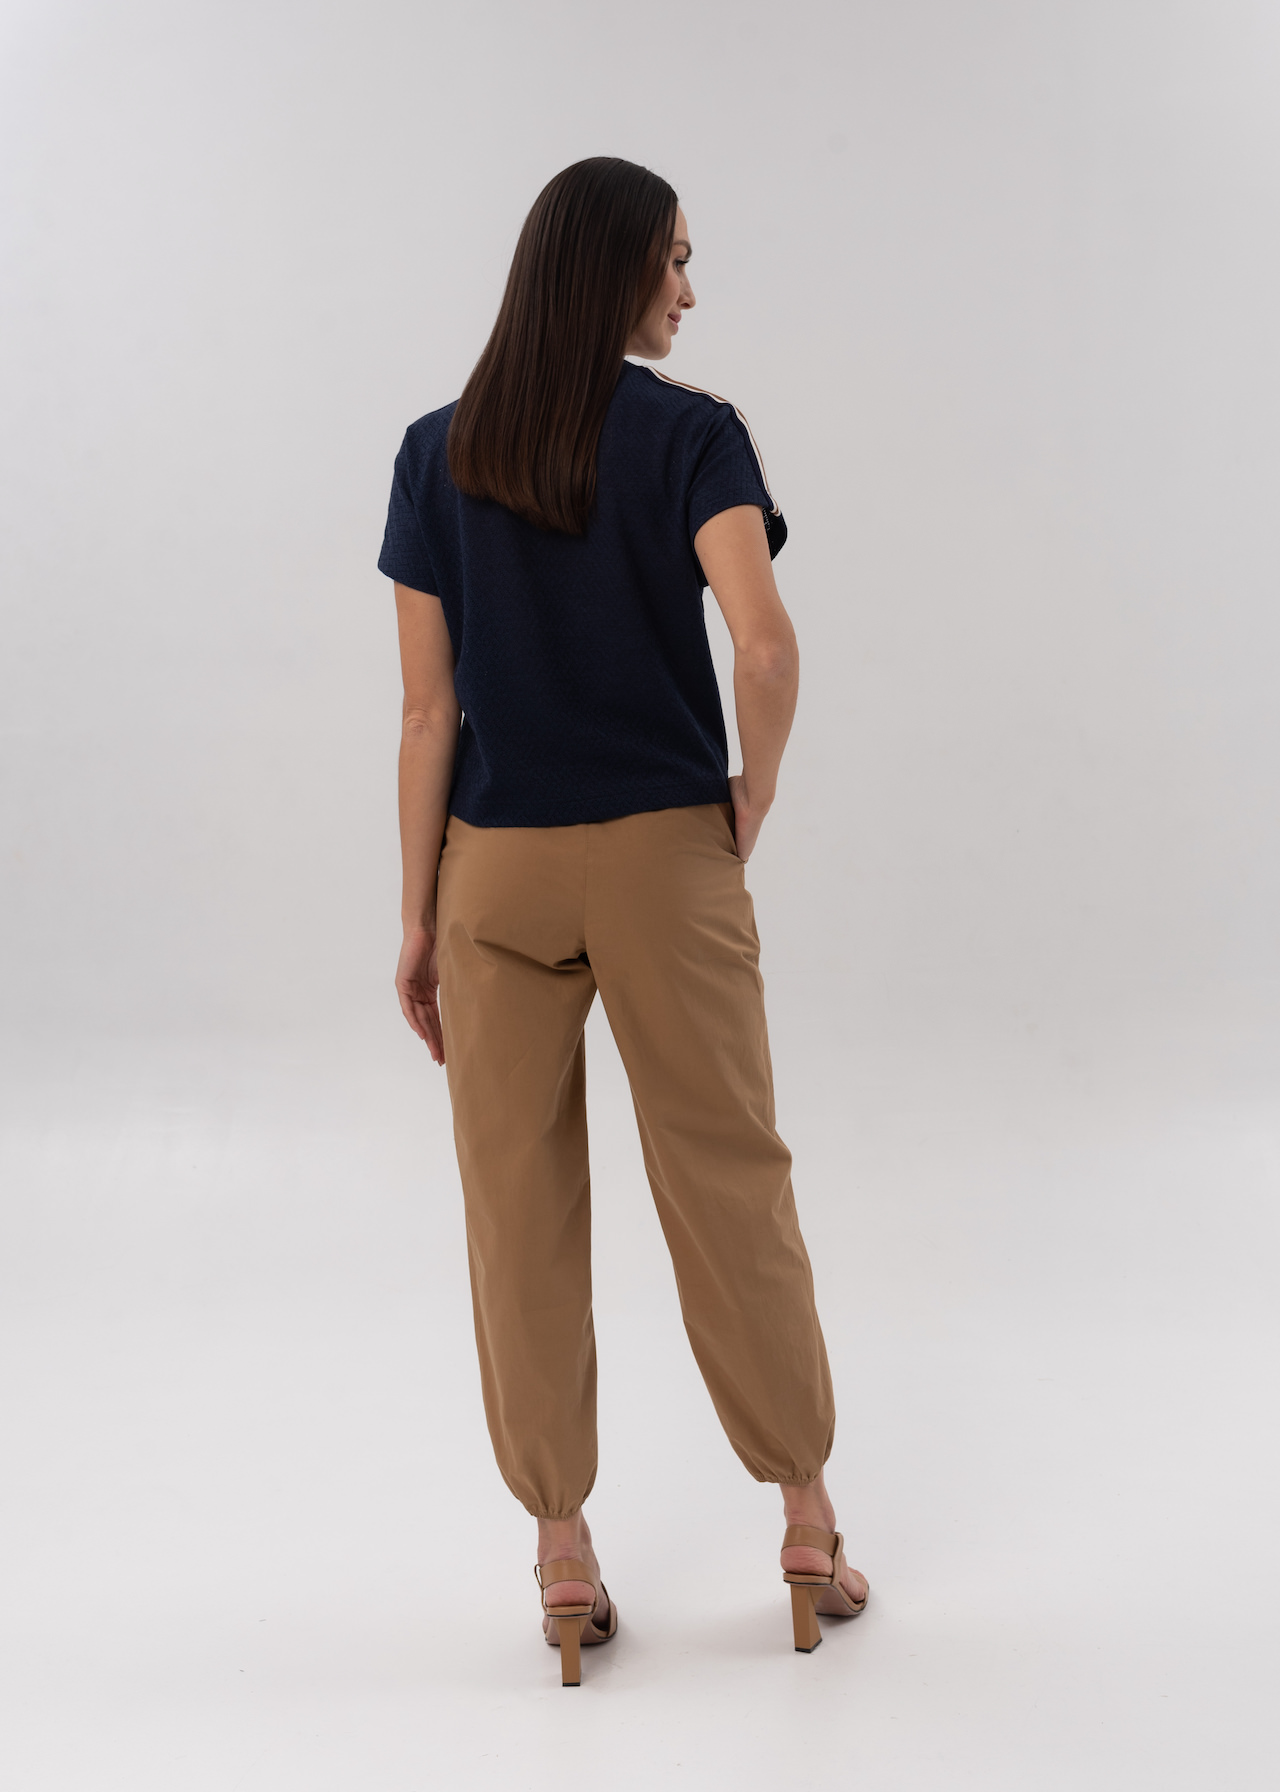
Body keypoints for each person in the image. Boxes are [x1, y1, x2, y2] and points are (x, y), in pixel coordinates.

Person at [378, 156, 867, 1686]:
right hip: (665, 853)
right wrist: (752, 794)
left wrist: (417, 916)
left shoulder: (435, 451)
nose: (690, 292)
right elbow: (765, 650)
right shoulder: (693, 435)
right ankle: (804, 1521)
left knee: (515, 1206)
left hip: (492, 868)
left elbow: (426, 714)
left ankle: (561, 1552)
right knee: (730, 1176)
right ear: (614, 270)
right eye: (676, 261)